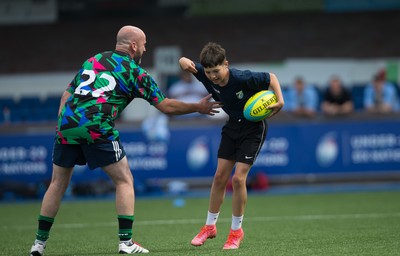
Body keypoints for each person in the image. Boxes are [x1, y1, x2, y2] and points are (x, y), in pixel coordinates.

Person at [28, 25, 221, 256]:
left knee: (57, 183)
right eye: (144, 44)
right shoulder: (134, 71)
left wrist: (63, 121)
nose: (145, 48)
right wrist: (197, 107)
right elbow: (166, 105)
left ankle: (38, 245)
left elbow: (67, 93)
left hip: (67, 125)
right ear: (133, 46)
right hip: (97, 126)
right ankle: (126, 243)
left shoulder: (95, 60)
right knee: (124, 180)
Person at [179, 42, 284, 250]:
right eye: (208, 72)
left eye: (216, 71)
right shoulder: (204, 72)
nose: (213, 76)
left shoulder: (242, 77)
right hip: (231, 127)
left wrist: (280, 100)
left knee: (238, 179)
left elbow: (271, 77)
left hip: (253, 129)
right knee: (219, 177)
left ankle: (236, 232)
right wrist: (184, 64)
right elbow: (184, 61)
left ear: (226, 64)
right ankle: (210, 227)